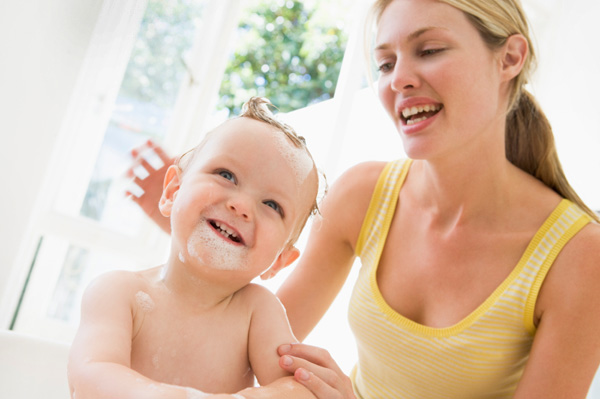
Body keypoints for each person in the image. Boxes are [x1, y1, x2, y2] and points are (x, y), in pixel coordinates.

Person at [127, 1, 600, 398]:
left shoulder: (578, 255)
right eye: (386, 63)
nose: (399, 80)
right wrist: (195, 227)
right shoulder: (364, 195)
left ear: (509, 58)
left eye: (429, 50)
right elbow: (252, 343)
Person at [68, 97, 322, 399]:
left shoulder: (258, 311)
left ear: (279, 259)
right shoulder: (120, 292)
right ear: (173, 191)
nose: (241, 206)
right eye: (226, 175)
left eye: (271, 204)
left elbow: (299, 390)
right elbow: (90, 376)